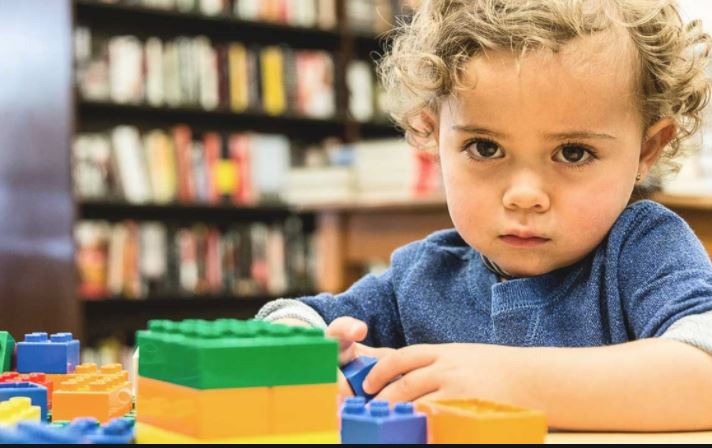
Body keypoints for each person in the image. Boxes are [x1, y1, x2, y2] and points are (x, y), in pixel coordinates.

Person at [257, 0, 712, 431]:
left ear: (647, 150)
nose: (524, 196)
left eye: (573, 152)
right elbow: (293, 319)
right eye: (485, 147)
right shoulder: (422, 276)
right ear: (432, 134)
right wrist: (307, 358)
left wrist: (508, 380)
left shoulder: (644, 251)